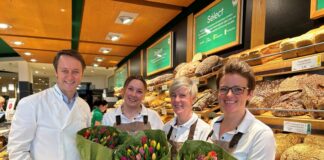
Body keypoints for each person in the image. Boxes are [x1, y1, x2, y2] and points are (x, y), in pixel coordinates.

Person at [8, 50, 91, 160]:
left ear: (82, 74)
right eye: (64, 71)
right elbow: (17, 150)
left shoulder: (84, 106)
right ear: (56, 72)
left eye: (75, 71)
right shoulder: (31, 103)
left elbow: (85, 143)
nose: (70, 77)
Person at [209, 58, 276, 160]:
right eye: (224, 89)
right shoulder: (212, 125)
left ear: (249, 94)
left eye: (237, 89)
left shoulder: (261, 135)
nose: (229, 95)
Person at [163, 76, 211, 159]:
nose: (177, 100)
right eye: (173, 95)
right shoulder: (166, 128)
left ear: (193, 99)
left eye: (182, 95)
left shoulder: (204, 131)